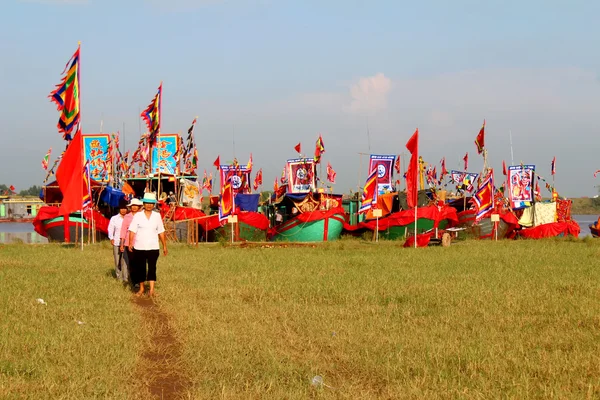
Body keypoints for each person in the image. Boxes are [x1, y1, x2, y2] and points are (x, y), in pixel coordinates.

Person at [128, 193, 167, 297]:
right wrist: (130, 242)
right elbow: (132, 230)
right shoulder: (138, 216)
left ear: (154, 204)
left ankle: (152, 290)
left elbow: (161, 231)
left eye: (151, 203)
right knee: (140, 268)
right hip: (139, 246)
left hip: (153, 246)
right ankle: (141, 288)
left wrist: (164, 246)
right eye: (147, 203)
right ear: (143, 204)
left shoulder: (157, 216)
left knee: (152, 268)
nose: (149, 205)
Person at [119, 198, 143, 286]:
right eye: (133, 206)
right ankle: (134, 281)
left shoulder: (142, 216)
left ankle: (140, 279)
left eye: (136, 206)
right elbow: (123, 230)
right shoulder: (127, 216)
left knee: (140, 262)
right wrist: (122, 243)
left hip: (140, 242)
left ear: (139, 207)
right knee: (132, 262)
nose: (134, 207)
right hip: (129, 242)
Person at [107, 201, 129, 282]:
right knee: (117, 260)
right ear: (119, 209)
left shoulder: (129, 218)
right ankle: (118, 276)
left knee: (125, 261)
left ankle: (125, 277)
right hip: (117, 242)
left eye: (125, 208)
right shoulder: (114, 218)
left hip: (126, 242)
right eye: (122, 208)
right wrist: (111, 238)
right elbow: (110, 229)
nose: (123, 210)